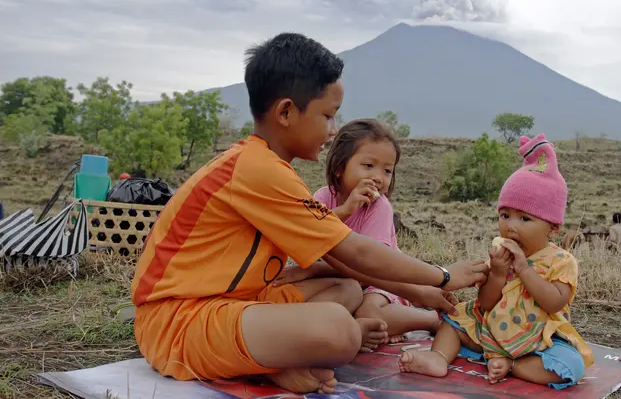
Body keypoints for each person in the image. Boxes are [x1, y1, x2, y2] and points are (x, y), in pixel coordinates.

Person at [130, 33, 489, 395]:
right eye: (327, 116)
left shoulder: (266, 166)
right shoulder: (258, 171)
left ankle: (272, 359)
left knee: (346, 289)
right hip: (177, 323)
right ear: (285, 112)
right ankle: (271, 363)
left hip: (236, 304)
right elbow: (355, 251)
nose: (332, 131)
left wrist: (420, 292)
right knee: (341, 331)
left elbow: (344, 266)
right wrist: (441, 276)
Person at [399, 134, 594, 389]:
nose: (511, 226)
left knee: (572, 366)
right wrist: (499, 274)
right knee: (453, 320)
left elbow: (554, 302)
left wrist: (523, 269)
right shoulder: (501, 256)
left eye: (525, 219)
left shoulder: (561, 260)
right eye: (505, 215)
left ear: (553, 228)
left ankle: (512, 365)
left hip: (537, 338)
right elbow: (486, 302)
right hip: (490, 329)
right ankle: (438, 358)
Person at [273, 119, 443, 348]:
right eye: (368, 165)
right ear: (339, 167)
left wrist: (310, 271)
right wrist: (345, 210)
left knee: (369, 314)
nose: (378, 177)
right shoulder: (323, 198)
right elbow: (312, 234)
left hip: (382, 281)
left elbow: (371, 267)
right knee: (330, 309)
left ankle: (430, 319)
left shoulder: (379, 207)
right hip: (343, 279)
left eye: (387, 170)